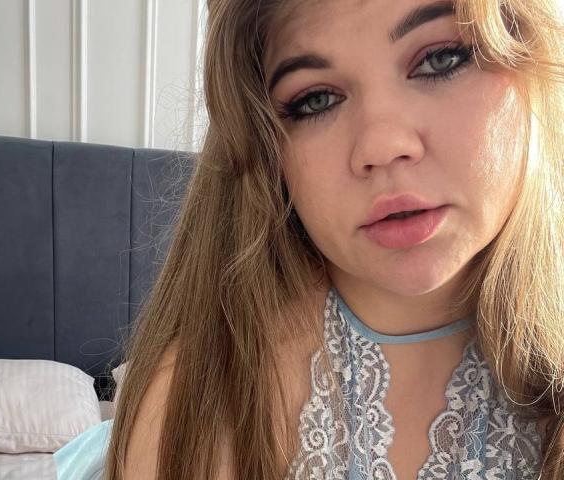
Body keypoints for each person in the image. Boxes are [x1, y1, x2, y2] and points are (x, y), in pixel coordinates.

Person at [54, 0, 564, 478]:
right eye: (315, 100)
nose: (382, 145)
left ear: (530, 61)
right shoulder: (197, 404)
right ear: (267, 153)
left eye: (440, 59)